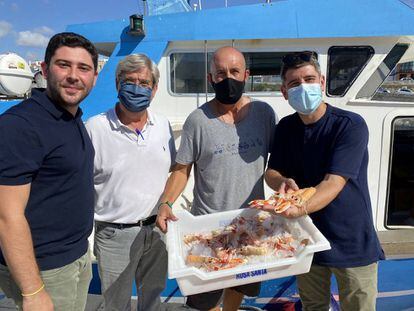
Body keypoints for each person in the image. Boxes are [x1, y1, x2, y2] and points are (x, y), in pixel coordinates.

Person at [262, 51, 384, 311]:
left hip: (351, 241)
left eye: (309, 79)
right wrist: (282, 181)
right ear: (284, 92)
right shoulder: (285, 128)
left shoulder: (350, 125)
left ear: (322, 82)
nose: (303, 87)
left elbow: (333, 182)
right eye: (294, 83)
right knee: (312, 306)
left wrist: (298, 208)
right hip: (306, 238)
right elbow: (271, 172)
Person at [156, 46, 276, 311]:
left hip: (251, 227)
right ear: (211, 79)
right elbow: (181, 169)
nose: (228, 79)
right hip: (208, 231)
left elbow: (276, 164)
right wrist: (166, 203)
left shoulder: (264, 114)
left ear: (246, 75)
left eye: (234, 71)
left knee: (239, 286)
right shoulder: (197, 120)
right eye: (220, 73)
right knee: (204, 300)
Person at [0, 32, 98, 311]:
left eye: (83, 68)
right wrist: (33, 291)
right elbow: (7, 216)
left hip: (75, 256)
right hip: (45, 270)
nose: (73, 76)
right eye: (63, 65)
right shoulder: (22, 126)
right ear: (44, 69)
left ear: (94, 76)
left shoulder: (71, 116)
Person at [85, 54, 176, 311]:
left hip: (157, 230)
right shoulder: (95, 128)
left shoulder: (163, 126)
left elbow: (173, 170)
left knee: (152, 299)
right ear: (117, 84)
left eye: (144, 83)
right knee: (116, 303)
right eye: (130, 81)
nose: (137, 88)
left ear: (155, 89)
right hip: (114, 234)